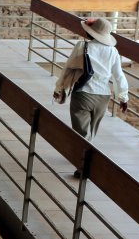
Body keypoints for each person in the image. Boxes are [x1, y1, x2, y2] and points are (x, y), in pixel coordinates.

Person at [53, 17, 129, 150]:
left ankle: (83, 168)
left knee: (81, 135)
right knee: (91, 134)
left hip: (83, 94)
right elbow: (119, 76)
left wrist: (59, 87)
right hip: (103, 97)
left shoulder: (82, 46)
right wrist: (123, 97)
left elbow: (68, 68)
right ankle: (86, 164)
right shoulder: (113, 51)